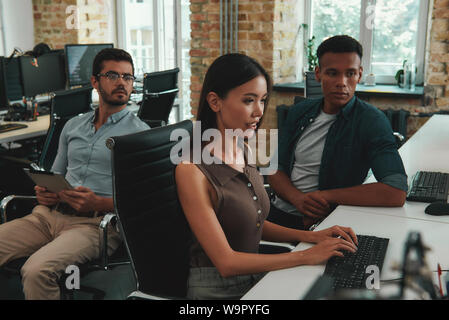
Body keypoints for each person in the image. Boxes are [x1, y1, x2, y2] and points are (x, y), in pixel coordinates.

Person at [175, 53, 358, 300]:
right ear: (215, 101)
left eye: (262, 100)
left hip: (256, 276)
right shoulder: (191, 170)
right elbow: (226, 262)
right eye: (249, 100)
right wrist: (305, 255)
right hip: (218, 291)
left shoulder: (244, 147)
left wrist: (311, 237)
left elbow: (253, 223)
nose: (259, 111)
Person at [0, 48, 150, 299]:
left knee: (36, 270)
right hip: (47, 216)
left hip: (95, 225)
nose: (122, 82)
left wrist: (99, 202)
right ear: (94, 81)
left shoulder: (140, 135)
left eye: (128, 77)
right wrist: (46, 193)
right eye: (113, 75)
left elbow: (144, 201)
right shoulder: (73, 126)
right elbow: (56, 176)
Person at [268, 35, 408, 231]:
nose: (342, 82)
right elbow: (273, 167)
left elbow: (395, 191)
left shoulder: (372, 121)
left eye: (350, 73)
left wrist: (326, 197)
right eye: (332, 73)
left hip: (328, 223)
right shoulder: (299, 111)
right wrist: (298, 199)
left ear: (359, 74)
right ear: (318, 74)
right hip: (277, 215)